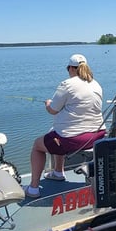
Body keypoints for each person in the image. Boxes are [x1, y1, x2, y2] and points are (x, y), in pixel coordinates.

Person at [25, 54, 105, 198]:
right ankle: (58, 172)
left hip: (73, 139)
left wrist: (48, 104)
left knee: (37, 146)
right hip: (96, 136)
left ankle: (33, 188)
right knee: (54, 133)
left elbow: (53, 110)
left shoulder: (67, 84)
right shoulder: (96, 84)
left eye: (68, 69)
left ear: (70, 68)